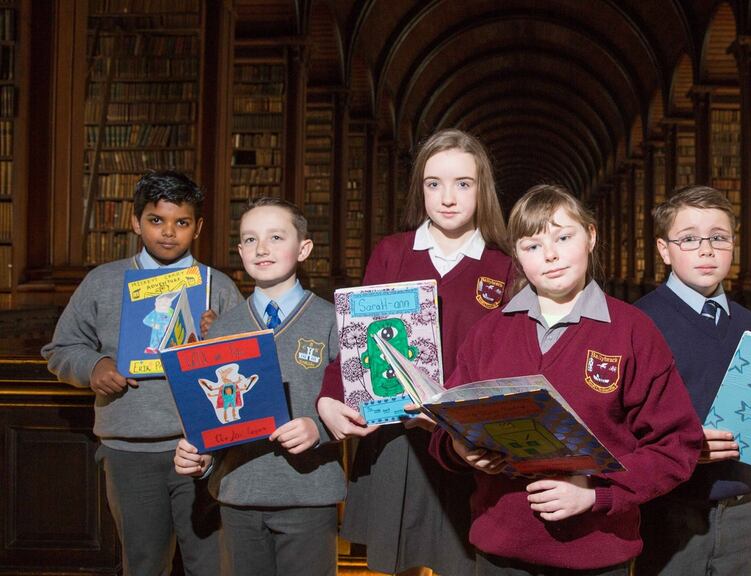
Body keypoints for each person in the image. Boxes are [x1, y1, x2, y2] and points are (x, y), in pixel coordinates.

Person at [429, 184, 704, 575]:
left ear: (591, 236)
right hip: (499, 552)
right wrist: (459, 448)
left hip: (596, 553)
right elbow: (445, 427)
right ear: (517, 256)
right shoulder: (488, 333)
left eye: (563, 237)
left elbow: (676, 446)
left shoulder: (633, 331)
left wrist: (597, 494)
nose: (551, 255)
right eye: (532, 245)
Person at [317, 128, 516, 575]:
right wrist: (329, 397)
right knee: (395, 562)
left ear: (481, 190)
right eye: (434, 184)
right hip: (398, 437)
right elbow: (356, 338)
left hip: (467, 444)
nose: (447, 197)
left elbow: (513, 357)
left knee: (467, 561)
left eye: (462, 184)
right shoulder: (392, 253)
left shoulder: (505, 266)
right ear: (420, 189)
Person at [41, 170, 242, 576]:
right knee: (144, 563)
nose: (168, 233)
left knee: (213, 564)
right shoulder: (102, 282)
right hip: (128, 451)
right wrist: (93, 366)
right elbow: (60, 349)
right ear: (135, 222)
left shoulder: (216, 287)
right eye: (156, 220)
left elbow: (248, 366)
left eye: (181, 223)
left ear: (198, 227)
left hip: (204, 450)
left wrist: (218, 336)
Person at [173, 197, 344, 576]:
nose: (261, 248)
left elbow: (357, 400)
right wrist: (201, 459)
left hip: (308, 493)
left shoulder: (332, 320)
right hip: (238, 493)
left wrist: (319, 428)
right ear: (239, 251)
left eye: (276, 237)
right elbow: (216, 412)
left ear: (304, 249)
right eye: (249, 240)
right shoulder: (222, 328)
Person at [633, 185, 751, 575]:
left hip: (746, 504)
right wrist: (682, 446)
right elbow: (622, 422)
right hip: (670, 506)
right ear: (664, 250)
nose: (706, 250)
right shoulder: (640, 322)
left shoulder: (750, 323)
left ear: (733, 245)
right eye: (689, 239)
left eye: (718, 238)